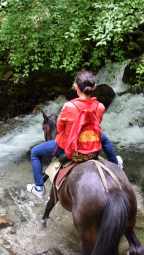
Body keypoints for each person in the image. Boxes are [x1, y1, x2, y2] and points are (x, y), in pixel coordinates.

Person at [27, 70, 123, 198]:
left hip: (70, 146)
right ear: (94, 87)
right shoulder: (100, 106)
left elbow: (60, 128)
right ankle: (116, 164)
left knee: (35, 152)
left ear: (75, 87)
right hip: (91, 143)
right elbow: (96, 124)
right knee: (104, 139)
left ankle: (38, 188)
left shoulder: (69, 106)